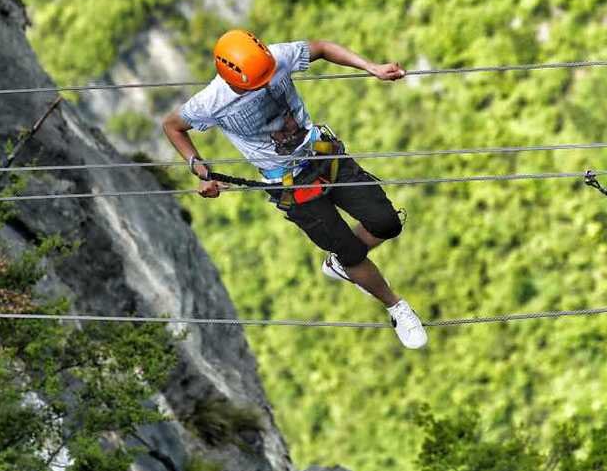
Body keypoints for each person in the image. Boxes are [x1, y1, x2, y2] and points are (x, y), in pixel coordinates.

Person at [162, 30, 428, 349]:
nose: (266, 84)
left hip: (324, 156)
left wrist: (370, 67)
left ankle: (343, 264)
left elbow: (323, 47)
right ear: (231, 78)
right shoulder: (211, 101)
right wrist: (201, 170)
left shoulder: (276, 58)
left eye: (268, 76)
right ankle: (395, 305)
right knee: (352, 252)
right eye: (257, 82)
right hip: (288, 185)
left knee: (386, 222)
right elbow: (173, 126)